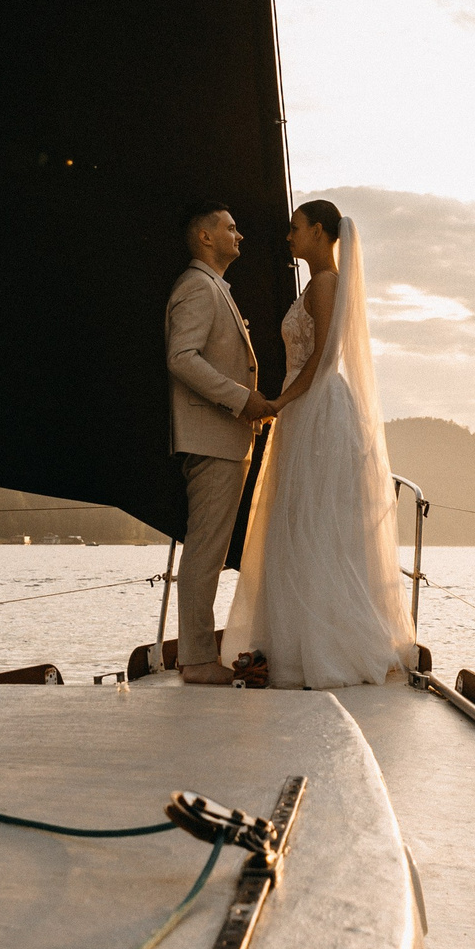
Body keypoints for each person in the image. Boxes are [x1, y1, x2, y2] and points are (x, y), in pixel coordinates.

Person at [223, 200, 416, 690]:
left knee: (312, 520)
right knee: (302, 520)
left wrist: (280, 402)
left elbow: (325, 355)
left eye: (295, 228)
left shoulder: (326, 282)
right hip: (306, 406)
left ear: (320, 231)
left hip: (315, 405)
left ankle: (323, 646)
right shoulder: (317, 283)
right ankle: (298, 641)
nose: (288, 236)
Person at [164, 203, 274, 686]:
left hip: (225, 439)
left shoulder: (214, 289)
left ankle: (198, 654)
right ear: (205, 237)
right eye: (231, 227)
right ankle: (195, 659)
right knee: (205, 552)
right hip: (212, 438)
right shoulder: (196, 287)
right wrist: (241, 400)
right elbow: (181, 358)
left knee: (208, 549)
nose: (240, 234)